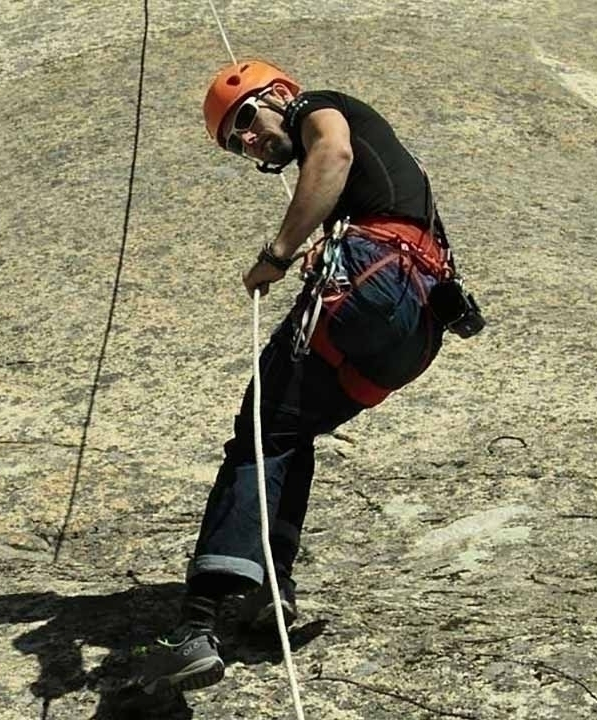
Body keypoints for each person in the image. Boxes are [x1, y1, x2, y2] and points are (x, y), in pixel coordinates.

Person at [143, 59, 481, 692]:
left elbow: (332, 154)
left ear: (280, 95)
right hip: (415, 326)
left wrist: (275, 255)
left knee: (258, 433)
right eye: (233, 143)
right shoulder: (392, 181)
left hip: (376, 283)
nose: (247, 141)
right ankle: (273, 590)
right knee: (286, 432)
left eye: (246, 121)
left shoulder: (316, 107)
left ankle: (196, 625)